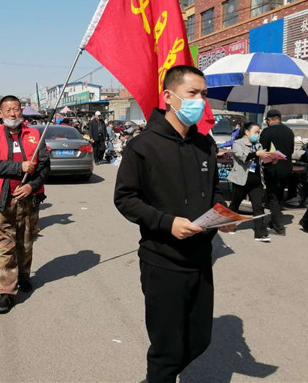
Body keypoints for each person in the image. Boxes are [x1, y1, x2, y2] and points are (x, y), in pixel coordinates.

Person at [114, 65, 233, 383]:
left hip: (200, 259)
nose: (200, 101)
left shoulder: (205, 144)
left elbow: (214, 189)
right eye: (192, 93)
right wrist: (167, 223)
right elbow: (125, 198)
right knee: (166, 351)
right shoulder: (142, 146)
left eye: (203, 95)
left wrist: (222, 215)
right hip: (162, 261)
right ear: (168, 96)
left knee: (199, 338)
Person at [0, 95, 50, 314]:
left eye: (17, 109)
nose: (13, 113)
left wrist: (31, 186)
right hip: (4, 200)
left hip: (29, 198)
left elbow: (45, 166)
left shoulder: (35, 135)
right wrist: (19, 167)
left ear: (22, 111)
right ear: (0, 113)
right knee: (4, 245)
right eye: (8, 110)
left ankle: (24, 276)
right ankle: (6, 292)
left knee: (26, 240)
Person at [228, 122, 273, 242]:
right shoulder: (238, 143)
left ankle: (260, 233)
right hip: (241, 180)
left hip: (256, 181)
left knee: (258, 207)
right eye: (255, 132)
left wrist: (271, 159)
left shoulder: (258, 145)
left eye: (259, 132)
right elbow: (241, 156)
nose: (257, 134)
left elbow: (262, 161)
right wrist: (256, 154)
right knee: (235, 204)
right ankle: (229, 225)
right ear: (247, 132)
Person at [260, 109, 295, 235]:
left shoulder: (267, 132)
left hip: (272, 168)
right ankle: (275, 218)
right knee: (279, 196)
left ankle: (279, 227)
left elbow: (262, 150)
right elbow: (291, 150)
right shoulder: (289, 131)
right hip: (286, 168)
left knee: (273, 197)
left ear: (269, 120)